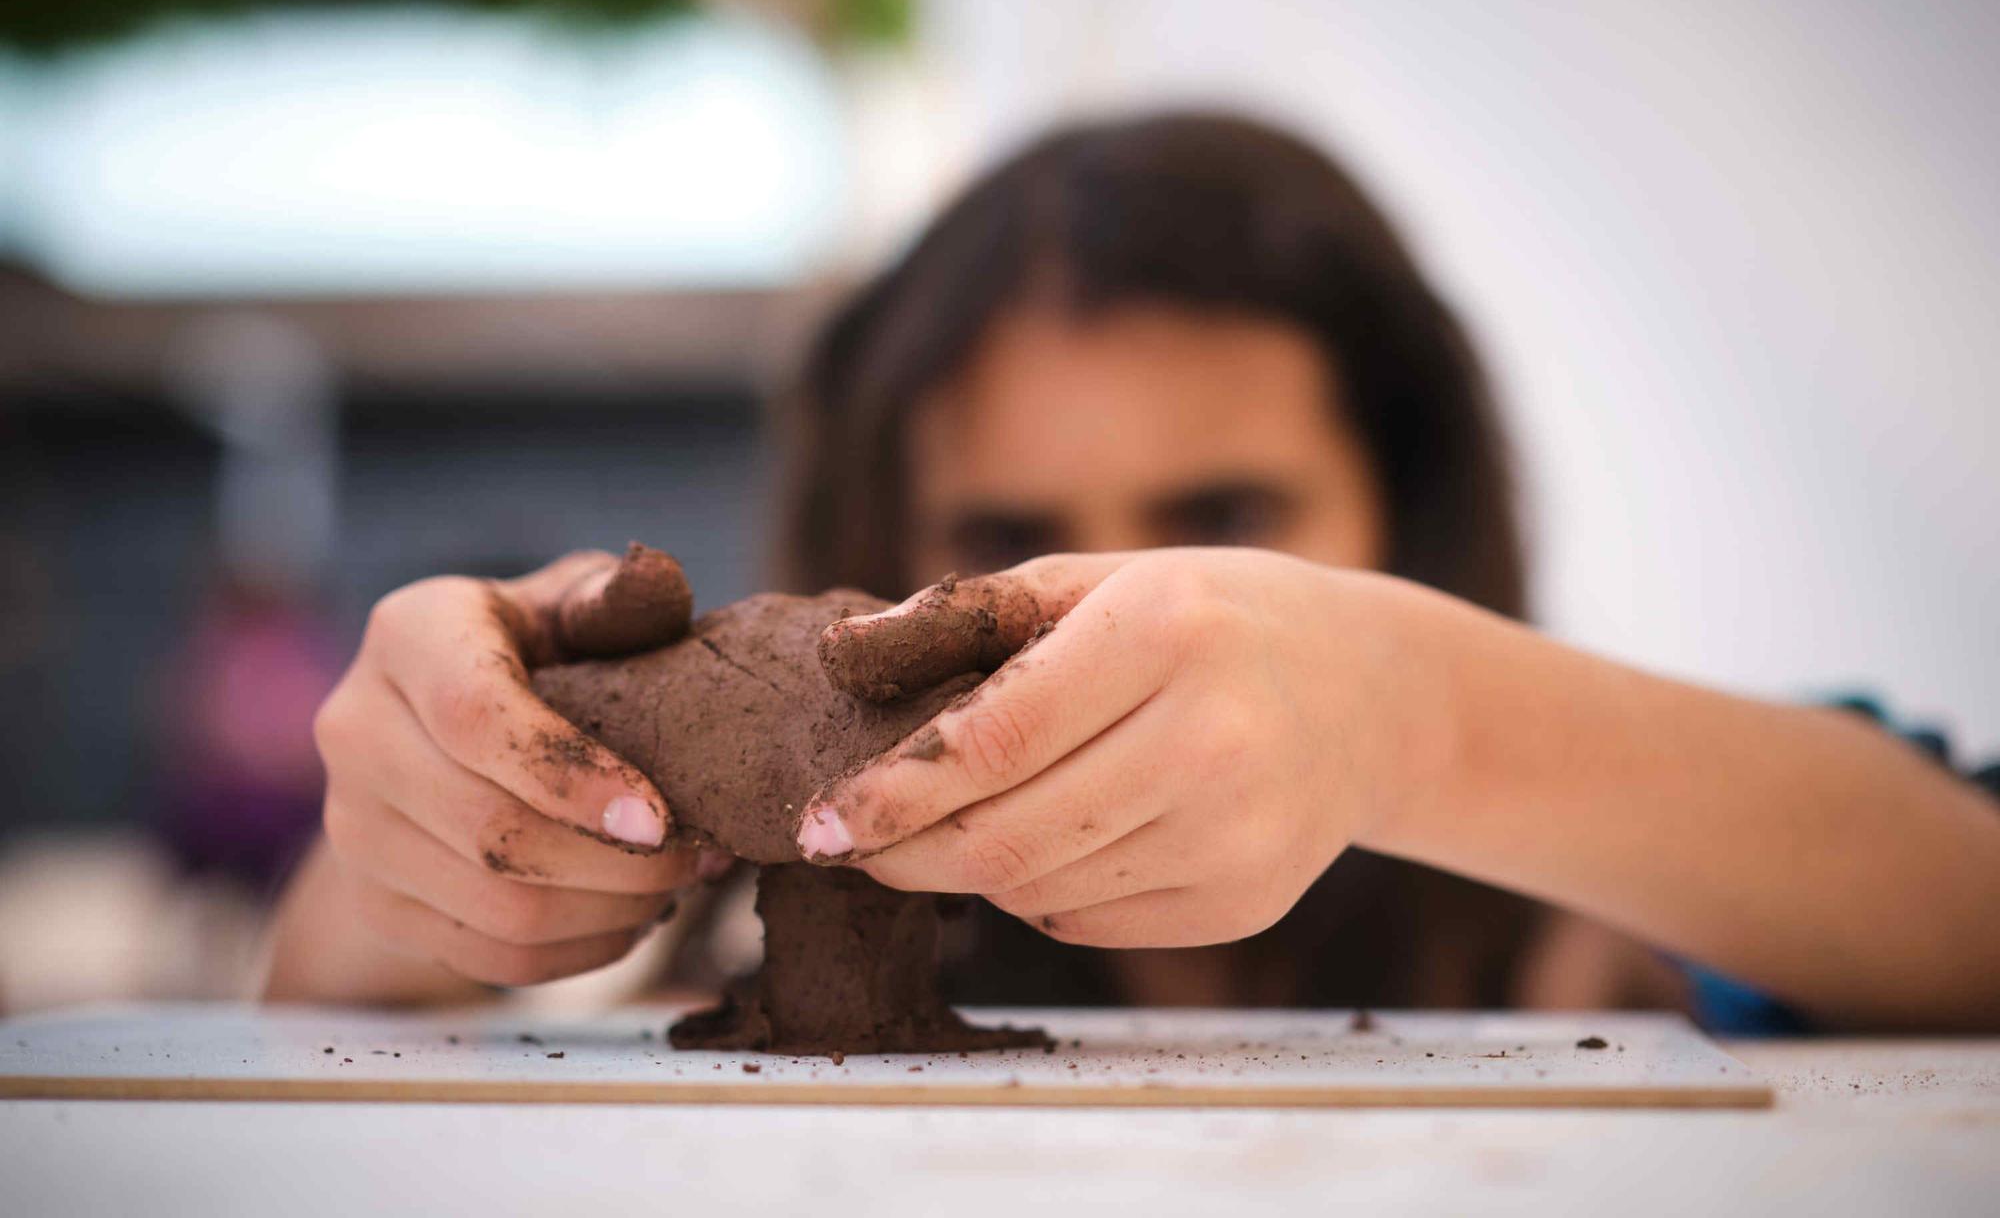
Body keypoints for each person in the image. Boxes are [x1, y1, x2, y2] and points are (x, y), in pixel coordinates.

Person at [265, 112, 2000, 1030]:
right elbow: (308, 1050)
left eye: (1228, 513)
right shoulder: (742, 916)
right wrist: (426, 850)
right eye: (999, 538)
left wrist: (1428, 718)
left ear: (1407, 508)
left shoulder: (1573, 933)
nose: (1136, 598)